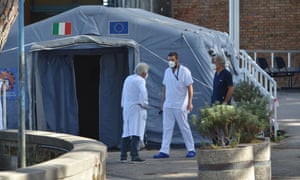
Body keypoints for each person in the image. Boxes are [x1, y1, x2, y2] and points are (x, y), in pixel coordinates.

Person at [153, 52, 196, 159]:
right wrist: (163, 103)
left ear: (177, 60)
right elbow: (165, 88)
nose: (170, 62)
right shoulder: (167, 71)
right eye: (169, 60)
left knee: (184, 127)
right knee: (167, 128)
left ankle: (191, 149)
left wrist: (190, 103)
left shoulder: (185, 71)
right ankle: (164, 151)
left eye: (172, 60)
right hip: (168, 104)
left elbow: (190, 87)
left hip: (181, 105)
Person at [120, 62, 149, 162]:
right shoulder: (140, 80)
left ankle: (123, 156)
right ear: (144, 73)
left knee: (126, 131)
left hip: (127, 108)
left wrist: (123, 104)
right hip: (136, 108)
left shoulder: (128, 78)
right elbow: (143, 92)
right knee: (136, 131)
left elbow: (123, 93)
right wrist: (144, 103)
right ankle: (134, 155)